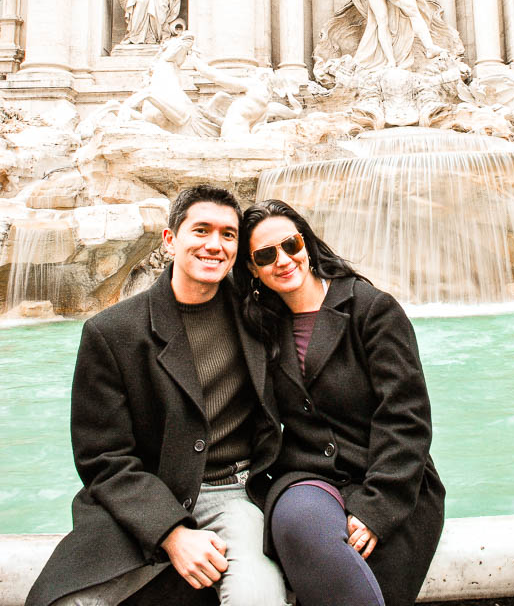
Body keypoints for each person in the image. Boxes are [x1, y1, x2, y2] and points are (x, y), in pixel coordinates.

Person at [27, 185, 287, 606]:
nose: (214, 245)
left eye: (228, 234)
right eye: (201, 230)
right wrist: (171, 532)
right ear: (170, 241)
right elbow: (102, 457)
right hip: (148, 492)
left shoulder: (259, 316)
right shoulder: (111, 332)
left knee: (258, 596)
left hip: (234, 492)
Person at [233, 199, 445, 606]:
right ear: (252, 269)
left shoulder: (371, 308)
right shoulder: (260, 324)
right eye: (265, 255)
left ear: (307, 244)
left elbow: (406, 417)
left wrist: (376, 509)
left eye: (291, 245)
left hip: (392, 482)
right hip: (308, 477)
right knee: (298, 523)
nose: (283, 260)